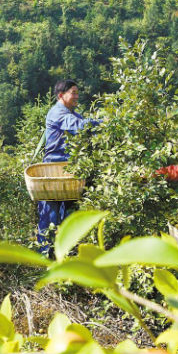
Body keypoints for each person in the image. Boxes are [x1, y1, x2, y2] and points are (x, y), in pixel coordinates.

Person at [37, 80, 102, 254]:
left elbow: (87, 124)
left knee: (70, 211)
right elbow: (81, 127)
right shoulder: (58, 113)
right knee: (50, 213)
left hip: (68, 169)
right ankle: (45, 255)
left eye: (77, 92)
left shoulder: (72, 113)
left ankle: (65, 251)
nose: (76, 96)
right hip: (54, 169)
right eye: (73, 92)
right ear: (61, 95)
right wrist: (105, 123)